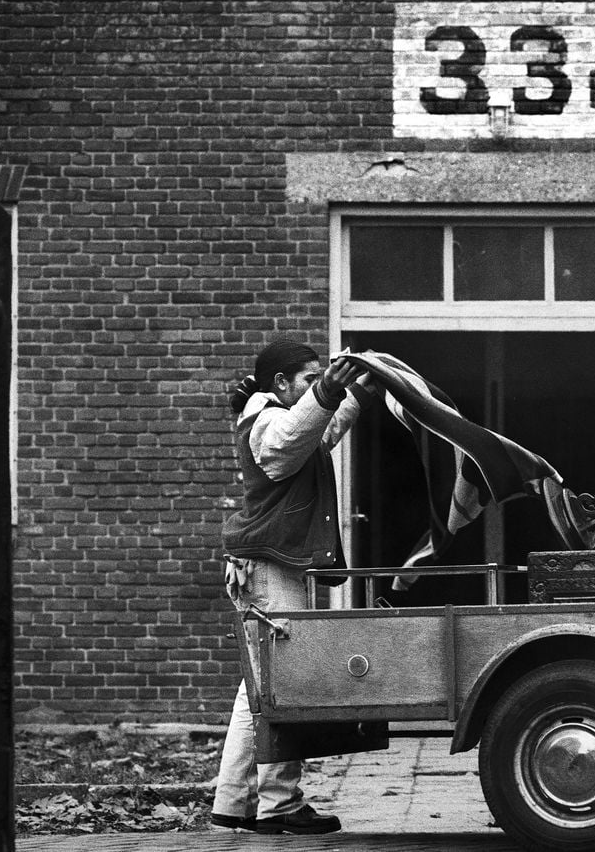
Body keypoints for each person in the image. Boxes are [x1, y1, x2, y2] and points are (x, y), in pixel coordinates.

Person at [211, 339, 382, 835]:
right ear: (281, 383)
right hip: (266, 568)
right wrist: (332, 387)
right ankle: (279, 806)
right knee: (282, 684)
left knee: (262, 686)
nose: (315, 386)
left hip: (267, 565)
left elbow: (316, 436)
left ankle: (233, 803)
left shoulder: (277, 414)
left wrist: (355, 394)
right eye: (308, 379)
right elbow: (290, 443)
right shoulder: (264, 417)